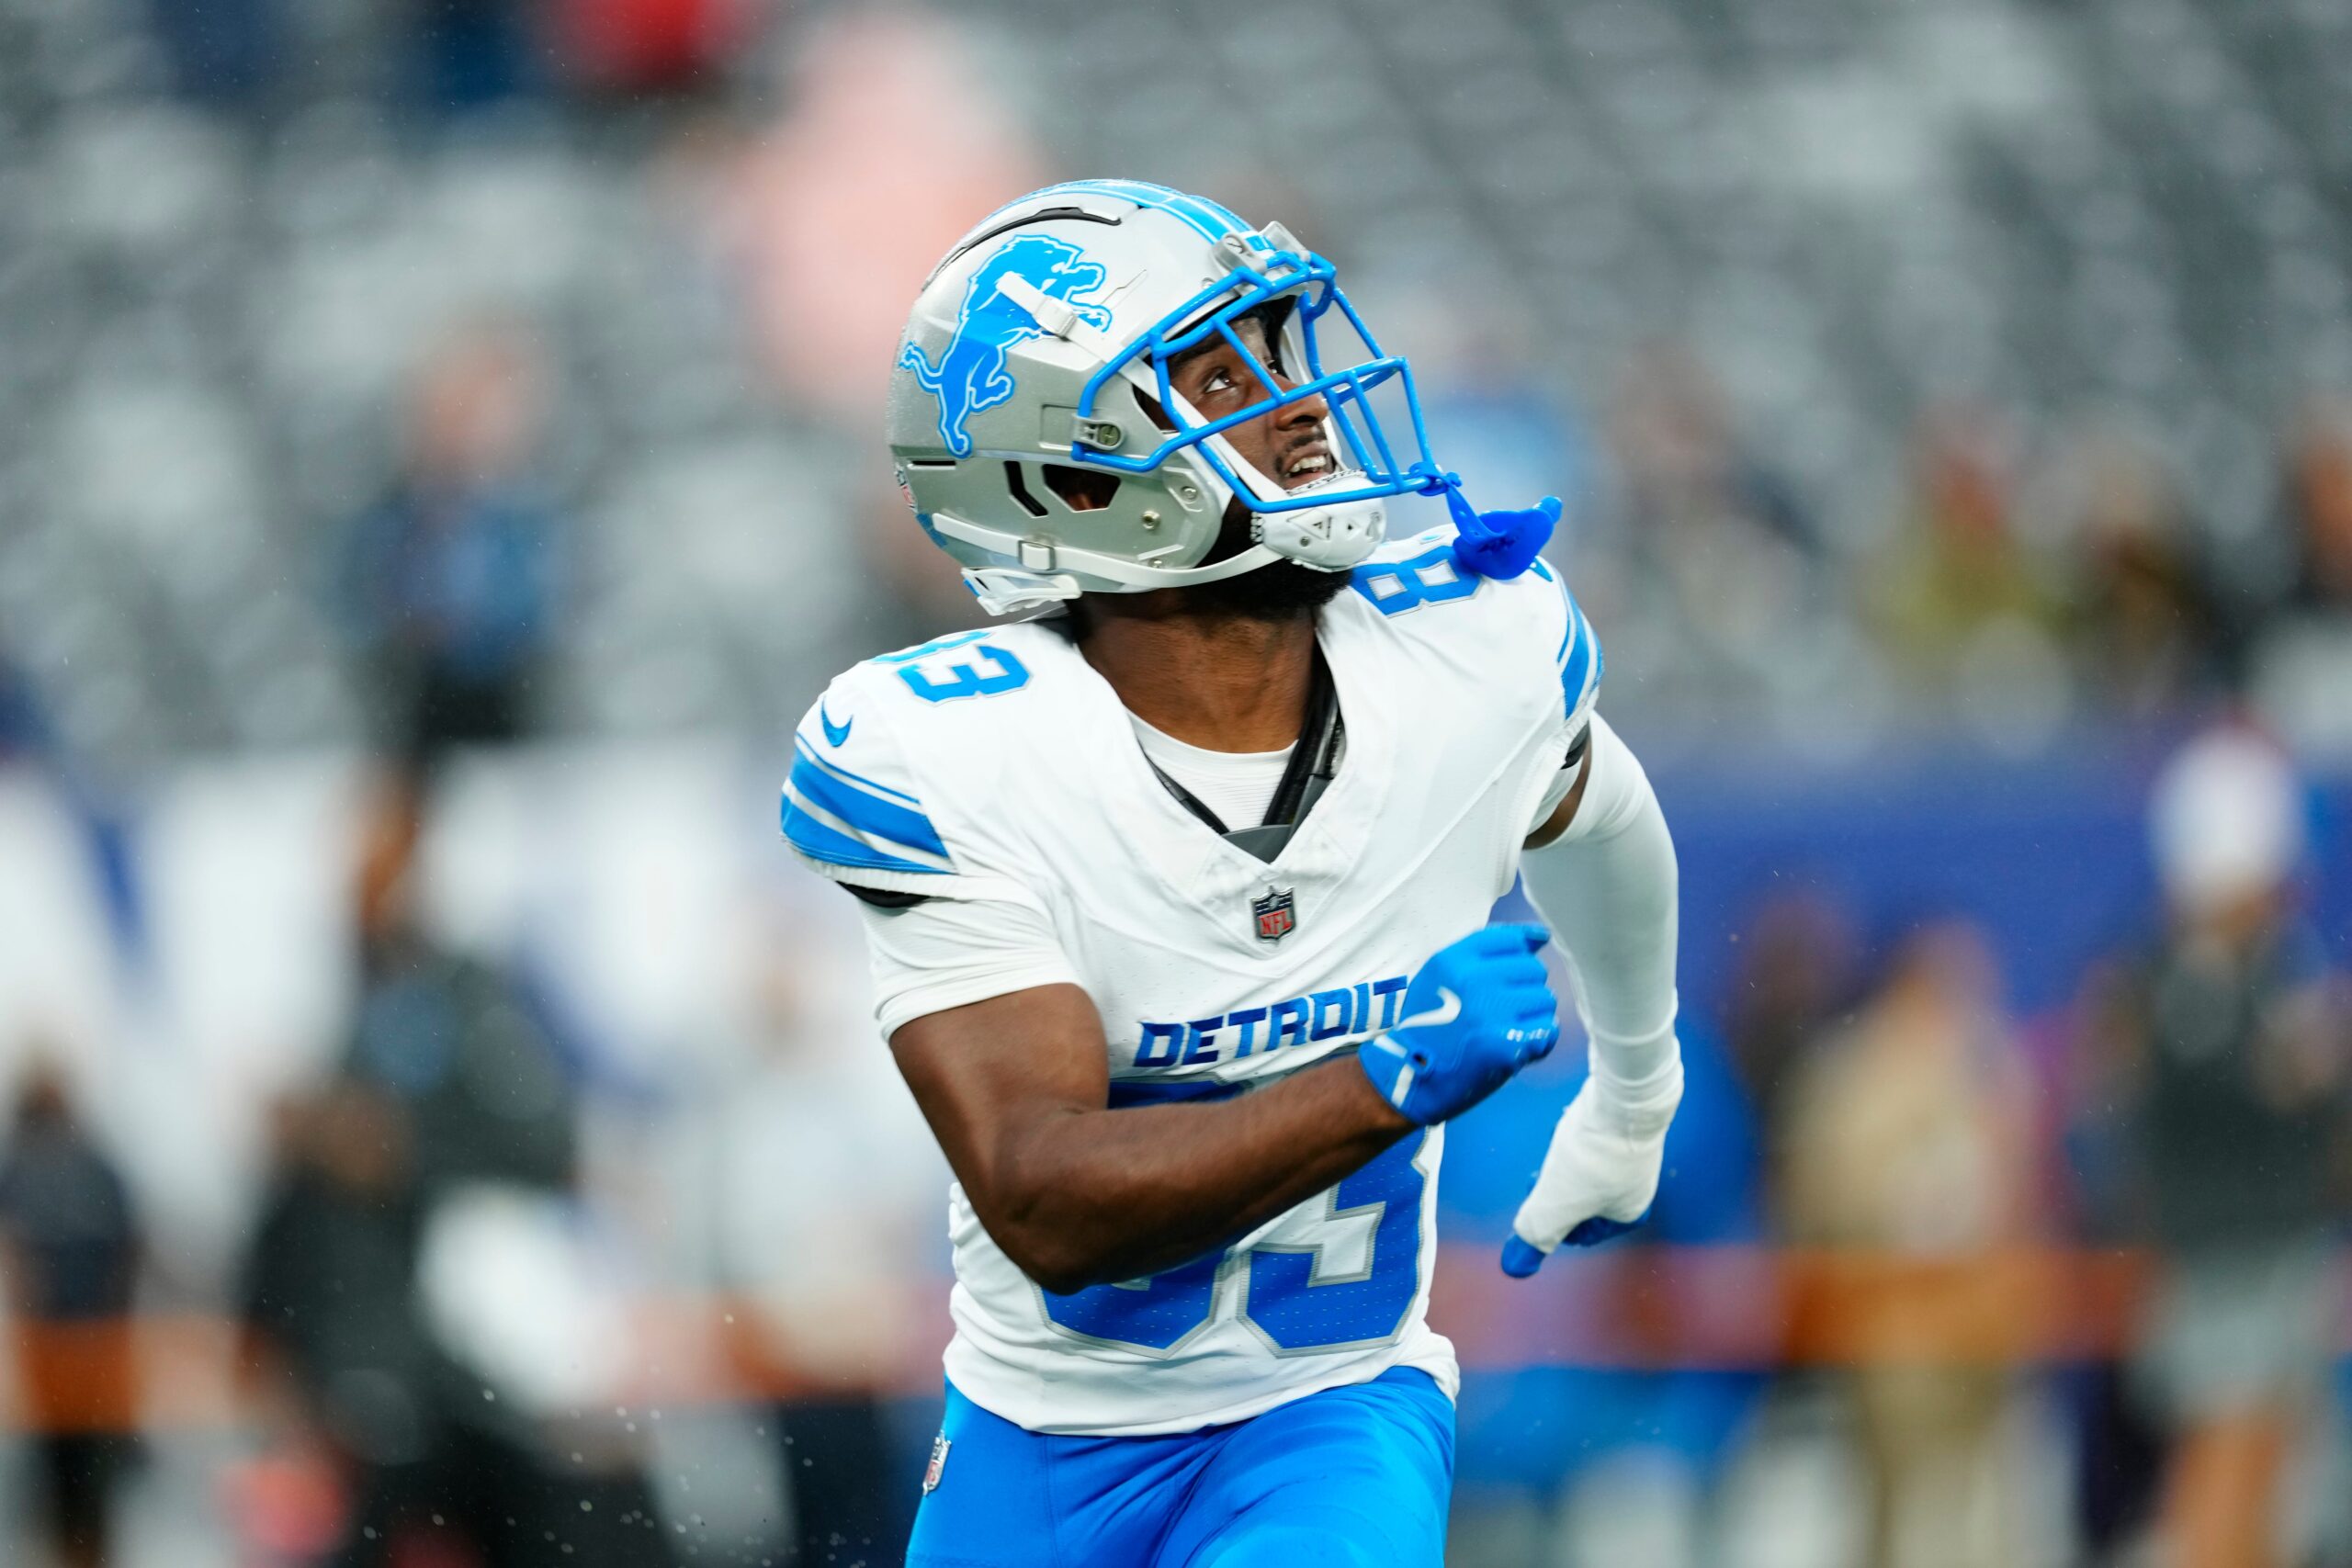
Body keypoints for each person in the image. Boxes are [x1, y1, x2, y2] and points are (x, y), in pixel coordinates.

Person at [781, 182, 1685, 1566]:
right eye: (1220, 373)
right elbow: (1046, 1194)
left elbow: (1604, 808)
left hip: (1327, 1411)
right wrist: (1382, 1073)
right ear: (1077, 481)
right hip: (1039, 1441)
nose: (1301, 400)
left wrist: (1638, 1083)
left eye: (1281, 349)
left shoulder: (1466, 656)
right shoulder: (954, 754)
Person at [0, 1063, 142, 1568]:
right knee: (69, 1471)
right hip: (61, 1344)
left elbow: (129, 1241)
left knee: (81, 1472)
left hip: (83, 1342)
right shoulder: (40, 1166)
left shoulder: (67, 1165)